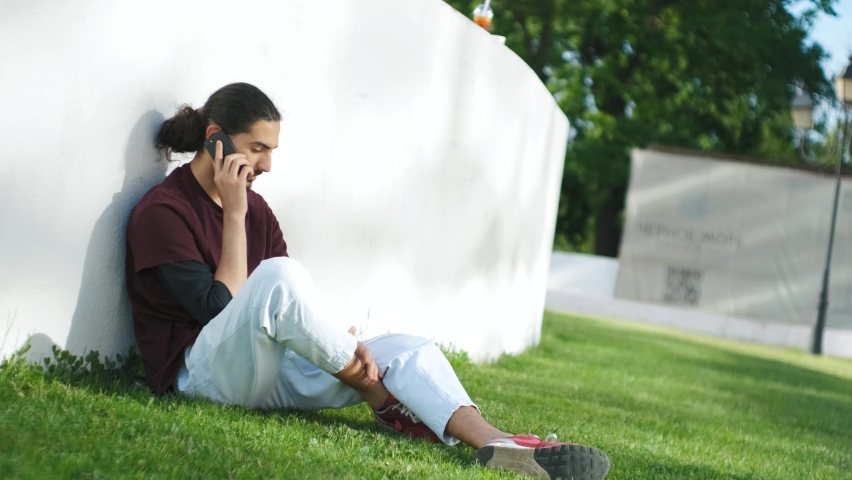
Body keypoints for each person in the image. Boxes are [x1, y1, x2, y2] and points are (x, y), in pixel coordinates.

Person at [125, 82, 610, 480]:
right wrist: (233, 213)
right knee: (279, 274)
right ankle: (384, 400)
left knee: (403, 346)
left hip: (262, 374)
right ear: (215, 138)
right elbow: (220, 309)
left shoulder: (259, 211)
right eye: (257, 149)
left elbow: (282, 310)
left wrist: (334, 336)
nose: (268, 165)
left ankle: (498, 443)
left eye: (271, 150)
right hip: (202, 377)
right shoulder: (164, 212)